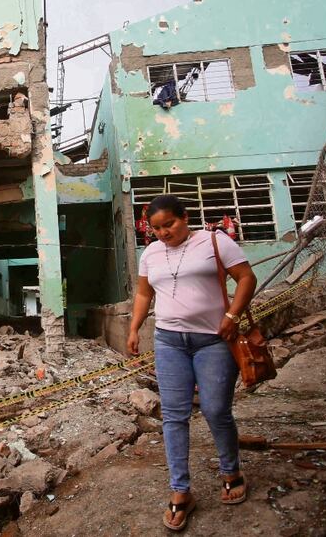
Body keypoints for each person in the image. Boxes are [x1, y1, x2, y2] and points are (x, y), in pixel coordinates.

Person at [127, 194, 257, 531]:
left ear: (186, 217)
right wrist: (134, 327)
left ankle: (231, 470)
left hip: (213, 341)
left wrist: (232, 314)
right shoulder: (151, 254)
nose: (163, 233)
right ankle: (181, 491)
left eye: (169, 224)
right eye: (156, 228)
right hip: (169, 342)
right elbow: (144, 293)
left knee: (215, 410)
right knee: (173, 416)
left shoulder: (214, 241)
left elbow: (246, 278)